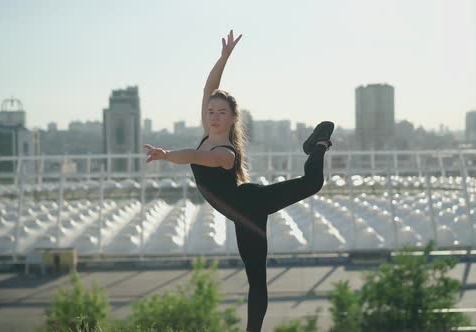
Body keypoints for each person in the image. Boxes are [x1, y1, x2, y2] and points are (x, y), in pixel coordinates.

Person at [143, 30, 334, 332]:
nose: (214, 116)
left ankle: (319, 143)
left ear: (233, 118)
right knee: (256, 280)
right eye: (211, 112)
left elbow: (194, 156)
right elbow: (209, 87)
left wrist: (166, 155)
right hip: (242, 219)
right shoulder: (208, 132)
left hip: (252, 203)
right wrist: (224, 57)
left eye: (221, 112)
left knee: (312, 184)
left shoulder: (224, 154)